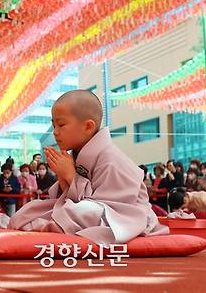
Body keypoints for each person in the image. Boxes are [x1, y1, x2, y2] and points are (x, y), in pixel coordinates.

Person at [8, 90, 167, 244]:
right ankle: (51, 225)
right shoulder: (77, 154)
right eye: (54, 125)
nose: (55, 133)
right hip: (87, 210)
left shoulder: (110, 159)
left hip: (122, 216)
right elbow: (69, 200)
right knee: (28, 211)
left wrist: (70, 175)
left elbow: (108, 208)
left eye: (61, 125)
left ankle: (52, 226)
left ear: (88, 127)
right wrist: (64, 175)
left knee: (81, 213)